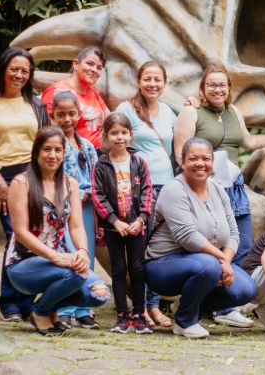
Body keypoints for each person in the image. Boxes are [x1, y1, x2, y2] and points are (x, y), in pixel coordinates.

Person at [174, 64, 265, 327]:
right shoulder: (192, 112)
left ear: (229, 88)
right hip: (205, 187)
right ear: (203, 87)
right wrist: (199, 183)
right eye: (211, 84)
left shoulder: (233, 111)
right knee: (211, 246)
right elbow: (180, 154)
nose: (217, 89)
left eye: (222, 85)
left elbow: (247, 142)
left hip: (233, 185)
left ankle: (225, 304)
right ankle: (199, 302)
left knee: (240, 245)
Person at [145, 138, 257, 339]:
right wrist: (221, 261)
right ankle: (185, 321)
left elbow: (233, 233)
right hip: (163, 265)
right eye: (193, 158)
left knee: (245, 290)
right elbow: (187, 237)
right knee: (208, 266)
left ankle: (188, 302)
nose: (200, 163)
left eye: (206, 158)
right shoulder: (174, 189)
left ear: (213, 163)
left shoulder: (217, 189)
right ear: (182, 162)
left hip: (208, 262)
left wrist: (227, 261)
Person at [4, 127, 109, 335]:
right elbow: (21, 231)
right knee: (76, 275)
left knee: (99, 293)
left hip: (60, 261)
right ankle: (40, 312)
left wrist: (81, 251)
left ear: (64, 153)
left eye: (58, 150)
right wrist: (55, 257)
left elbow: (76, 226)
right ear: (36, 152)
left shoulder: (70, 184)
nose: (52, 155)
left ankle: (50, 308)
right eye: (46, 149)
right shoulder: (21, 183)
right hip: (23, 264)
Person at [116, 61, 176, 327]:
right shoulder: (126, 109)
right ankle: (143, 306)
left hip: (167, 186)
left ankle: (152, 304)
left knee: (160, 247)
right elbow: (114, 142)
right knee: (142, 248)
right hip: (139, 188)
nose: (152, 84)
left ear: (164, 83)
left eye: (157, 80)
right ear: (139, 81)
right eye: (147, 79)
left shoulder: (169, 112)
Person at [0, 47, 50, 322]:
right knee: (14, 235)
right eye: (14, 69)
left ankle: (26, 300)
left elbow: (46, 142)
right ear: (4, 69)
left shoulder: (36, 104)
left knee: (34, 236)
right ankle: (9, 300)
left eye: (24, 71)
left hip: (33, 174)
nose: (18, 75)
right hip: (2, 175)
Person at [92, 113, 153, 334]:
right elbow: (98, 196)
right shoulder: (101, 164)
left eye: (124, 133)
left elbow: (147, 191)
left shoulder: (139, 162)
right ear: (106, 136)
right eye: (114, 133)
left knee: (137, 269)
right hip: (113, 227)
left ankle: (139, 314)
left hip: (137, 227)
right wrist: (114, 221)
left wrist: (141, 219)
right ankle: (121, 316)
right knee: (118, 270)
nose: (120, 138)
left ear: (131, 135)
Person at [50, 91, 100, 329]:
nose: (67, 119)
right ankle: (64, 307)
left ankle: (84, 306)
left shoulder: (87, 145)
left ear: (79, 114)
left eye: (71, 114)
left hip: (87, 208)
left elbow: (94, 174)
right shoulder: (53, 146)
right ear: (53, 115)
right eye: (61, 115)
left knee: (85, 253)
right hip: (63, 207)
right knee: (68, 253)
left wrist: (91, 192)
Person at [41, 46, 109, 149]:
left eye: (99, 67)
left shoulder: (93, 90)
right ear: (76, 64)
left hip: (95, 156)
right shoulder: (57, 91)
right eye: (90, 64)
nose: (94, 70)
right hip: (70, 156)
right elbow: (47, 130)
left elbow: (109, 117)